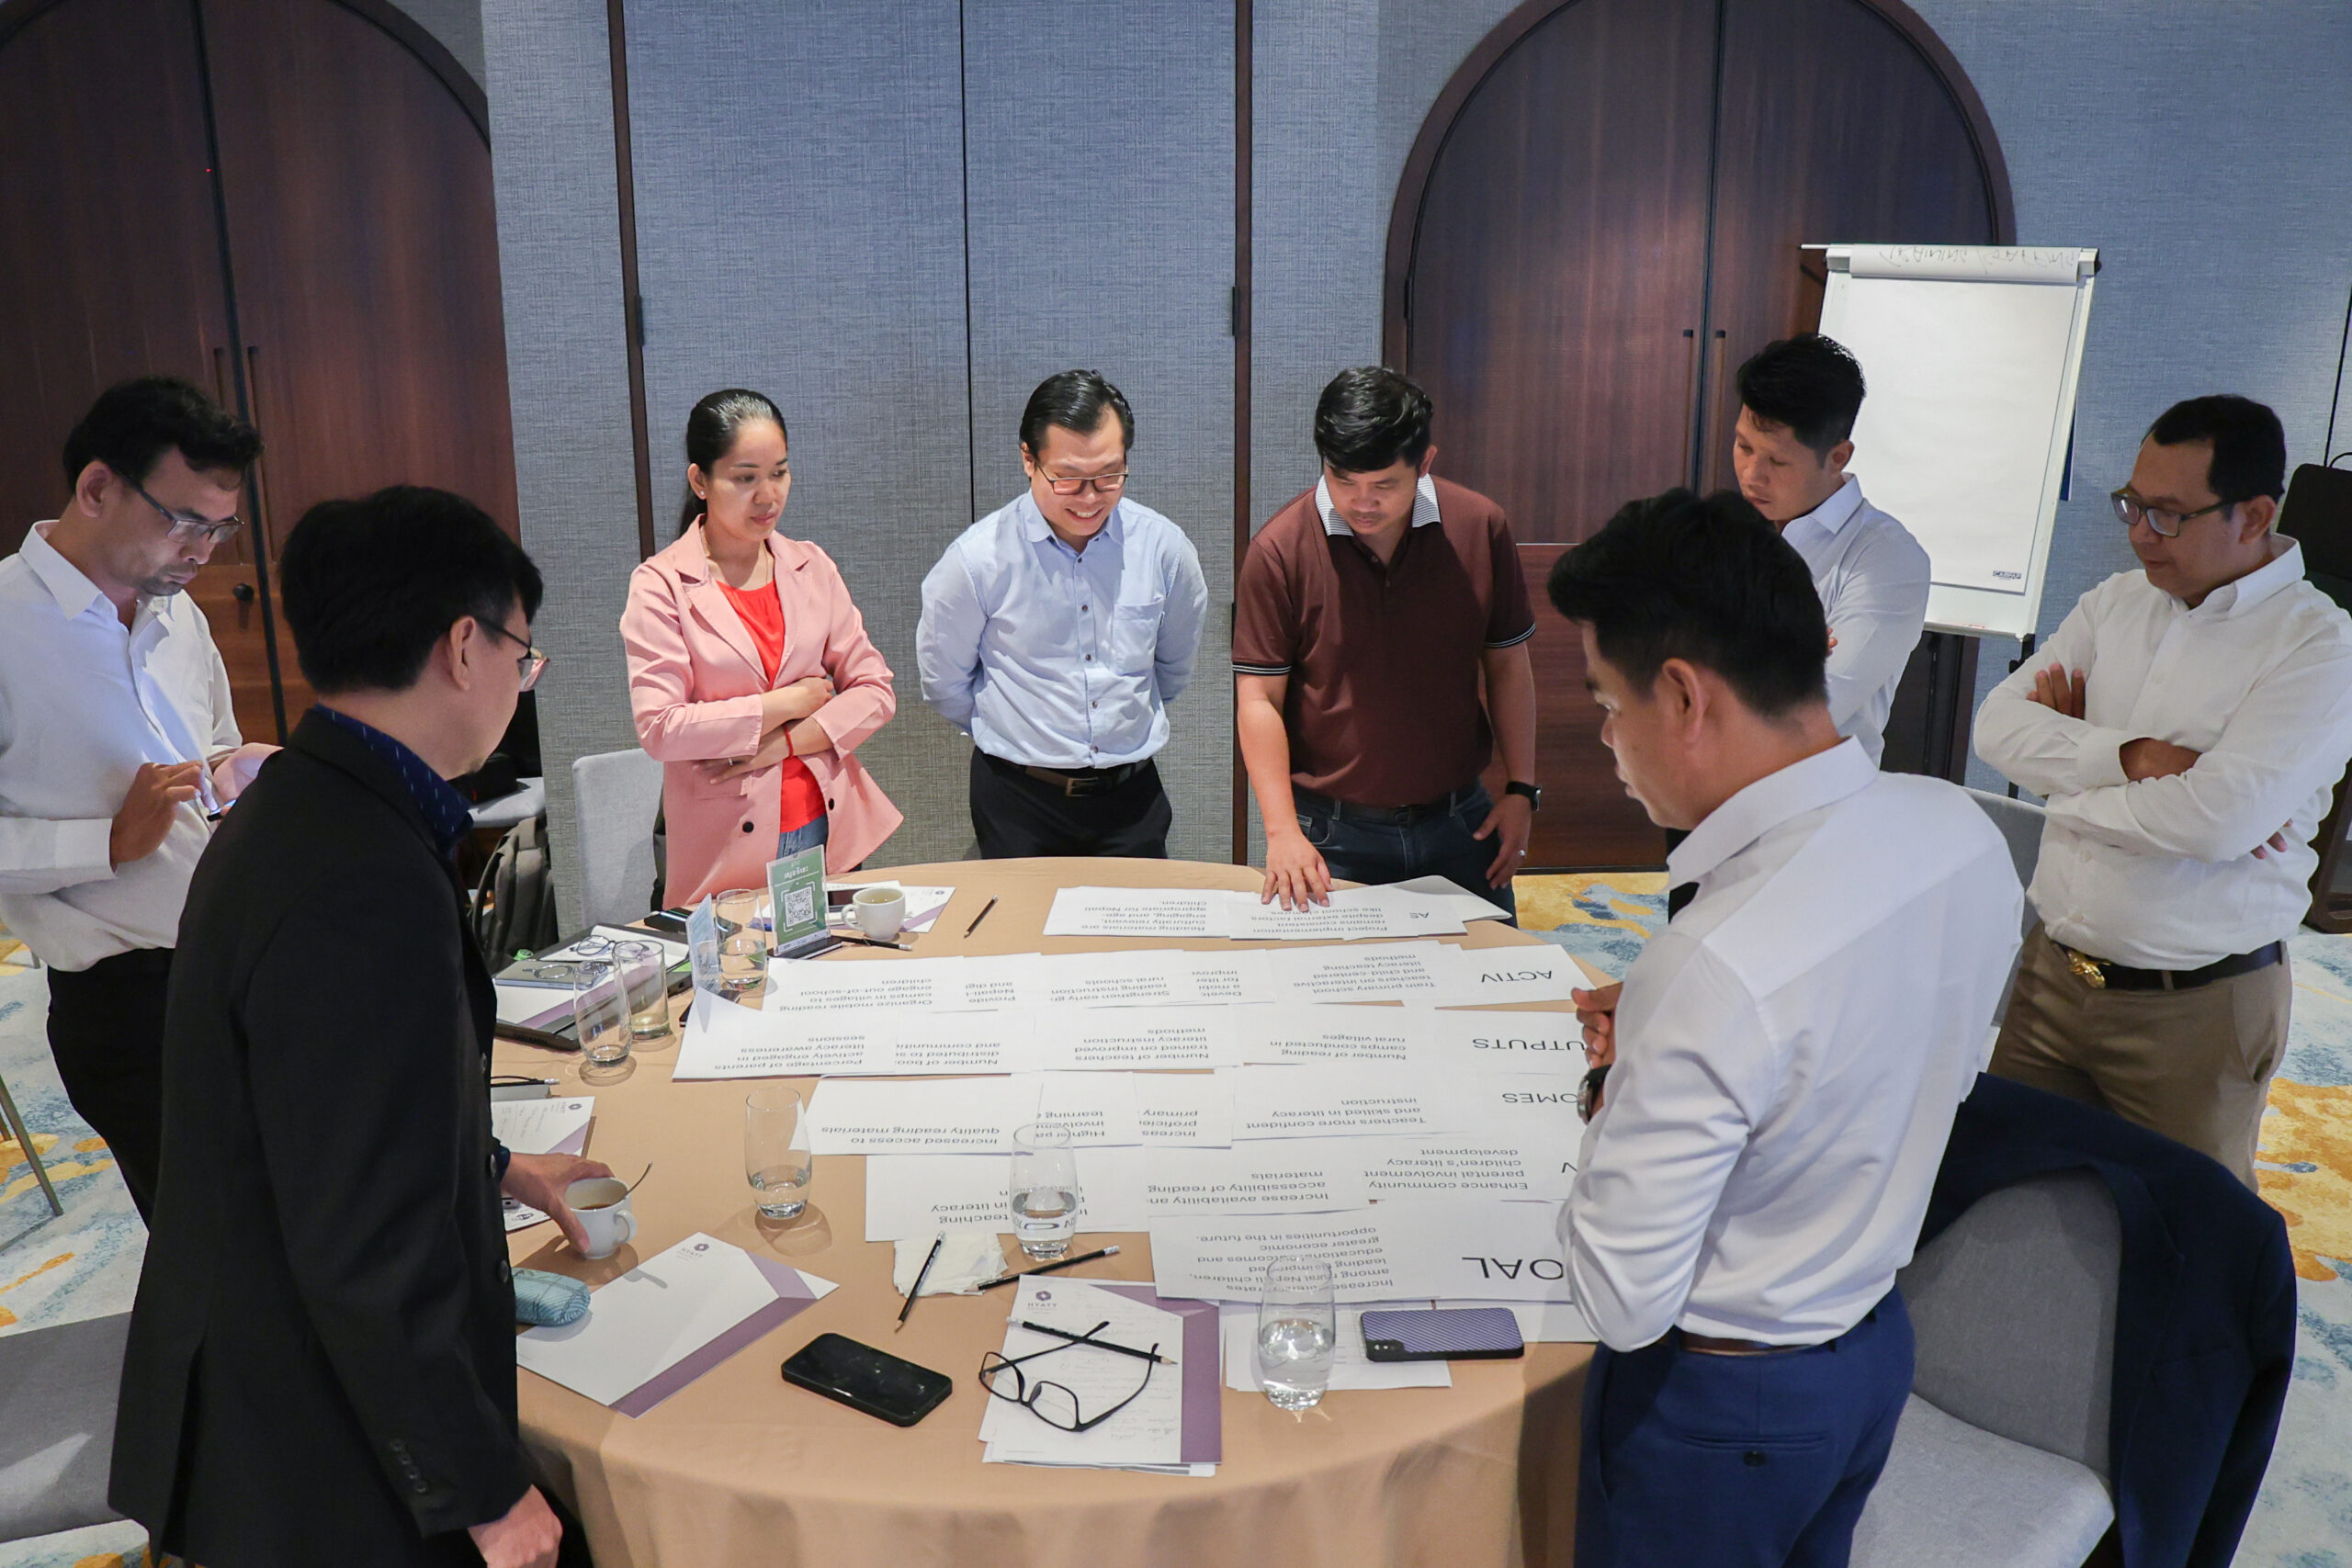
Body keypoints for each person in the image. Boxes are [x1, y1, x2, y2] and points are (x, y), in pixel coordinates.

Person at [112, 486, 605, 1568]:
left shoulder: (302, 807)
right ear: (464, 647)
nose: (521, 681)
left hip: (271, 1371)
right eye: (523, 655)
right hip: (310, 1446)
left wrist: (497, 1166)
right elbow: (362, 1241)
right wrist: (484, 1491)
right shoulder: (360, 880)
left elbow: (318, 1118)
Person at [1548, 489, 2019, 1568]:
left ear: (1683, 696)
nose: (1608, 742)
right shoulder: (1958, 831)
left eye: (1609, 706)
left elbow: (1620, 1300)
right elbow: (1926, 1070)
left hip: (1719, 1408)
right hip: (1872, 1354)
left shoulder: (1712, 964)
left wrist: (1621, 1086)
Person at [1975, 394, 2352, 1188]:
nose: (2141, 532)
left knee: (2186, 1239)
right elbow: (1997, 731)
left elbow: (2216, 821)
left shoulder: (2318, 646)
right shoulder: (2116, 602)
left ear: (2255, 516)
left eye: (2170, 514)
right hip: (2052, 976)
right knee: (2000, 1204)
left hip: (2195, 1007)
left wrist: (2066, 778)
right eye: (2133, 504)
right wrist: (2137, 756)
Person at [0, 376, 276, 1219]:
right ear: (97, 488)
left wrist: (230, 770)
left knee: (306, 1215)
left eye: (220, 528)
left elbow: (210, 742)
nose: (203, 552)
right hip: (128, 1006)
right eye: (185, 522)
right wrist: (107, 842)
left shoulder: (178, 615)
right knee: (220, 1248)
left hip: (239, 961)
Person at [1234, 367, 1537, 915]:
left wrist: (1522, 788)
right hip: (1330, 834)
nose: (1361, 502)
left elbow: (1508, 664)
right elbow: (1259, 700)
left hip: (1460, 822)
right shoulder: (1280, 550)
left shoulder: (1480, 526)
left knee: (1486, 966)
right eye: (1343, 480)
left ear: (1425, 462)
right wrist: (1281, 832)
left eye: (1384, 485)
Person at [624, 389, 900, 903]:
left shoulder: (810, 565)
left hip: (826, 826)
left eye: (779, 473)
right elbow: (660, 728)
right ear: (700, 481)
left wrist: (781, 744)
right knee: (746, 957)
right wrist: (786, 703)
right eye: (746, 478)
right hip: (726, 845)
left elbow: (875, 692)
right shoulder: (661, 584)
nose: (768, 495)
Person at [917, 370, 1208, 858]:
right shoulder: (976, 561)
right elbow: (944, 684)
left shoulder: (1164, 550)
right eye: (1068, 478)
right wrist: (1014, 732)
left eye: (1109, 475)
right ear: (1028, 460)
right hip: (1017, 800)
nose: (1090, 497)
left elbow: (1173, 669)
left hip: (1132, 797)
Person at [1730, 333, 1929, 765]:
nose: (1751, 475)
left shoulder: (1886, 559)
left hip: (1821, 797)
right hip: (1710, 793)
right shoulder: (1724, 532)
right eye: (1744, 447)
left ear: (1838, 456)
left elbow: (1807, 714)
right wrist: (1784, 659)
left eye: (1777, 461)